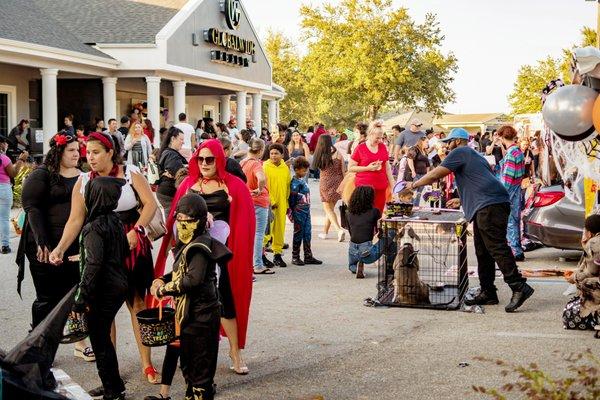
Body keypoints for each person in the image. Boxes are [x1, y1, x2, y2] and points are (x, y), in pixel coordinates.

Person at [49, 132, 161, 386]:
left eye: (96, 152)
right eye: (87, 152)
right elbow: (76, 219)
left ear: (110, 152)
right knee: (102, 312)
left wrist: (138, 230)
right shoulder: (84, 181)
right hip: (101, 247)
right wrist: (59, 248)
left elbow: (150, 204)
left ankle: (147, 363)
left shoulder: (131, 173)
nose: (90, 157)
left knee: (138, 304)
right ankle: (109, 372)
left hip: (132, 243)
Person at [154, 139, 255, 376]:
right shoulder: (189, 184)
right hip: (189, 254)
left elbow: (244, 221)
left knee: (226, 303)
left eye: (210, 159)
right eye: (201, 159)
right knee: (184, 303)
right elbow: (174, 221)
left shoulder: (234, 186)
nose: (205, 163)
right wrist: (169, 249)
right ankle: (187, 351)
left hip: (219, 255)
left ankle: (235, 351)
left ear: (219, 159)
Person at [406, 128, 534, 312]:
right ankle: (488, 291)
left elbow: (436, 174)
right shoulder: (474, 155)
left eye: (449, 141)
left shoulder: (460, 151)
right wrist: (462, 198)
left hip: (489, 205)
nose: (447, 145)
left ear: (458, 141)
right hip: (490, 203)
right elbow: (478, 180)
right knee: (483, 251)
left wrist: (415, 184)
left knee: (497, 247)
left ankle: (519, 286)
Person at [16, 132, 94, 362]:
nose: (76, 154)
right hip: (42, 246)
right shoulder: (42, 175)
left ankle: (79, 343)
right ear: (58, 152)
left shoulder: (83, 176)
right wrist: (42, 242)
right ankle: (37, 345)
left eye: (76, 150)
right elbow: (32, 208)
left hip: (74, 246)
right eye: (70, 150)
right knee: (47, 297)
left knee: (74, 294)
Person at [151, 194, 231, 400]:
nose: (183, 224)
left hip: (203, 315)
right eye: (180, 219)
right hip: (189, 315)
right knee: (188, 366)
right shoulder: (187, 243)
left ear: (200, 221)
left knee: (200, 374)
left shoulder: (201, 246)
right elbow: (180, 271)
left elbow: (193, 279)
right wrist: (162, 278)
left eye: (188, 220)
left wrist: (164, 289)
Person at [73, 177, 129, 400]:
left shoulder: (92, 227)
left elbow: (94, 265)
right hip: (119, 283)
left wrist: (81, 297)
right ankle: (112, 385)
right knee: (103, 337)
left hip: (104, 289)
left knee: (99, 339)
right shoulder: (115, 220)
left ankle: (113, 391)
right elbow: (123, 250)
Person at [240, 138, 274, 274]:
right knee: (259, 234)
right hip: (259, 200)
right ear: (260, 150)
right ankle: (258, 265)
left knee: (249, 234)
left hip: (247, 200)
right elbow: (261, 178)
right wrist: (260, 189)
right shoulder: (256, 164)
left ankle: (249, 263)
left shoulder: (242, 163)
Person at [348, 120, 394, 214]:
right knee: (365, 216)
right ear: (370, 134)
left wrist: (393, 186)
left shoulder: (383, 147)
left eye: (381, 138)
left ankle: (376, 229)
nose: (380, 140)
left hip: (381, 189)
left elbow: (387, 168)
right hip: (364, 190)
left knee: (378, 215)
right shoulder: (360, 148)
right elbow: (351, 168)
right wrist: (368, 168)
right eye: (377, 138)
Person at [497, 126, 526, 261]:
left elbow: (507, 179)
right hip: (518, 188)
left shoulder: (511, 154)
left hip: (510, 191)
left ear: (502, 138)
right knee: (515, 220)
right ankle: (517, 249)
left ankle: (515, 250)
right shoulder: (518, 151)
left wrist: (501, 193)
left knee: (510, 221)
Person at [289, 157, 322, 266]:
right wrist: (292, 212)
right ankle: (295, 256)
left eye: (306, 170)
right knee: (298, 233)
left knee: (307, 233)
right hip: (299, 211)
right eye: (304, 170)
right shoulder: (294, 183)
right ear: (297, 169)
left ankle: (308, 255)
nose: (306, 172)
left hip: (306, 211)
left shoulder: (301, 181)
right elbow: (292, 200)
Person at [312, 134, 346, 241]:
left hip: (325, 184)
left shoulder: (320, 155)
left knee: (328, 209)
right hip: (338, 184)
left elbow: (314, 168)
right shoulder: (338, 154)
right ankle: (325, 232)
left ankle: (339, 230)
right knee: (330, 210)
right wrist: (344, 185)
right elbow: (344, 171)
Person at [263, 143, 291, 267]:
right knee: (266, 231)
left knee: (280, 229)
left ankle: (277, 254)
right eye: (272, 153)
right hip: (268, 204)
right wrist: (271, 200)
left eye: (276, 153)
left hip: (282, 204)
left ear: (282, 155)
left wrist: (286, 202)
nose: (274, 156)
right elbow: (264, 187)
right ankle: (261, 255)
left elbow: (287, 186)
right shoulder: (265, 167)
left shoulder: (285, 168)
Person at [346, 186, 383, 279]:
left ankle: (355, 266)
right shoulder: (375, 211)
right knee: (389, 238)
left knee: (351, 266)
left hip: (352, 247)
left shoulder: (348, 212)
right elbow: (380, 230)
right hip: (366, 248)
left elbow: (350, 230)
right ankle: (389, 266)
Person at [0, 136, 27, 253]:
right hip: (4, 189)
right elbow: (14, 173)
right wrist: (21, 160)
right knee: (4, 219)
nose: (6, 145)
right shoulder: (4, 158)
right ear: (1, 144)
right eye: (5, 143)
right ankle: (5, 246)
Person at [156, 127, 187, 217]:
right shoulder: (171, 154)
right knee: (170, 220)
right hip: (168, 192)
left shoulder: (166, 152)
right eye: (181, 139)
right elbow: (179, 173)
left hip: (164, 191)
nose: (183, 142)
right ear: (173, 138)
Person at [405, 137, 431, 206]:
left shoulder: (425, 151)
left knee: (419, 192)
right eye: (426, 142)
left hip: (423, 175)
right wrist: (413, 171)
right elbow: (410, 159)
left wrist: (427, 174)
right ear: (421, 142)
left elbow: (427, 164)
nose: (428, 143)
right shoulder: (414, 149)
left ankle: (416, 207)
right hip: (415, 174)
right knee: (413, 191)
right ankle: (410, 207)